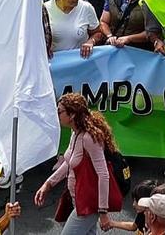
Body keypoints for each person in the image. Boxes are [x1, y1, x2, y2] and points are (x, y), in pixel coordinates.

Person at [35, 90, 119, 235]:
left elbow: (103, 174)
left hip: (88, 204)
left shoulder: (88, 138)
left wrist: (103, 211)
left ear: (72, 114)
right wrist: (48, 184)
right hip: (79, 201)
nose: (57, 115)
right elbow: (68, 163)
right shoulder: (75, 134)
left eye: (60, 111)